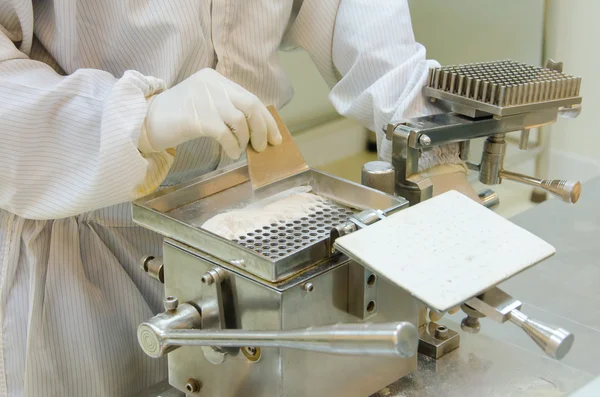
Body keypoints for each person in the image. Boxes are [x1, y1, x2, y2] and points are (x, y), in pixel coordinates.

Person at [0, 0, 477, 395]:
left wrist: (429, 142)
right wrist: (136, 120)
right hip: (80, 258)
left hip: (248, 231)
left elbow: (351, 13)